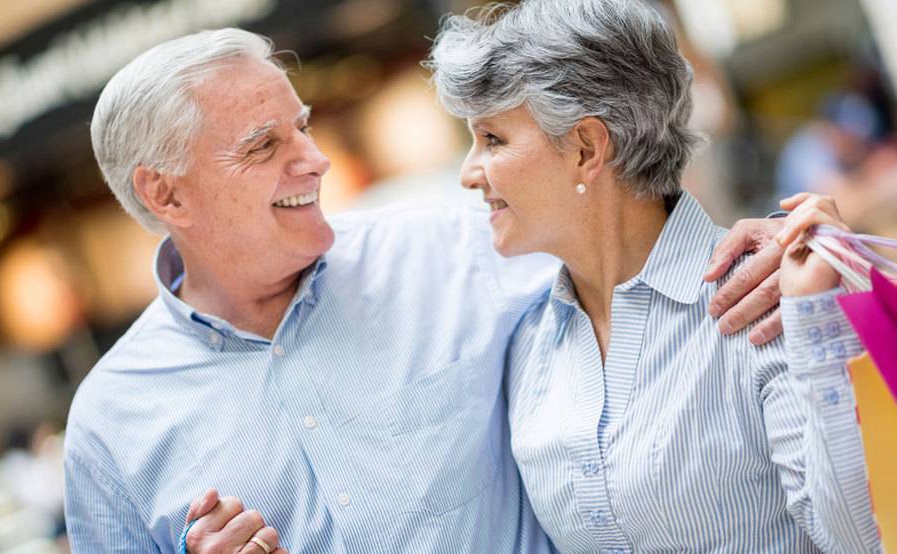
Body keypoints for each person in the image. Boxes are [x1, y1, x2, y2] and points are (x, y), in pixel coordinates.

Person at [64, 28, 785, 553]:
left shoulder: (458, 250)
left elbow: (643, 244)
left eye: (303, 129)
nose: (313, 161)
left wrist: (782, 246)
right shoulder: (110, 428)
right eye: (263, 146)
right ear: (166, 194)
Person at [426, 0, 880, 552]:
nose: (468, 173)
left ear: (587, 148)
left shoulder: (769, 300)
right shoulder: (525, 346)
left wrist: (815, 322)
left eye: (492, 139)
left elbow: (860, 538)